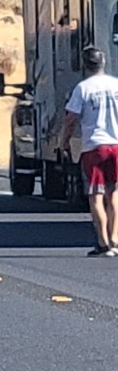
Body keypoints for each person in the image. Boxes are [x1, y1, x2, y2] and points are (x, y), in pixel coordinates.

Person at [61, 46, 118, 257]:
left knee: (96, 196)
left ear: (85, 65)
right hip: (116, 146)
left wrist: (64, 142)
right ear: (104, 63)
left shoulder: (83, 88)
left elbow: (71, 119)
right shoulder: (116, 85)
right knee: (114, 193)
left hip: (94, 147)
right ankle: (115, 238)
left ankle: (103, 243)